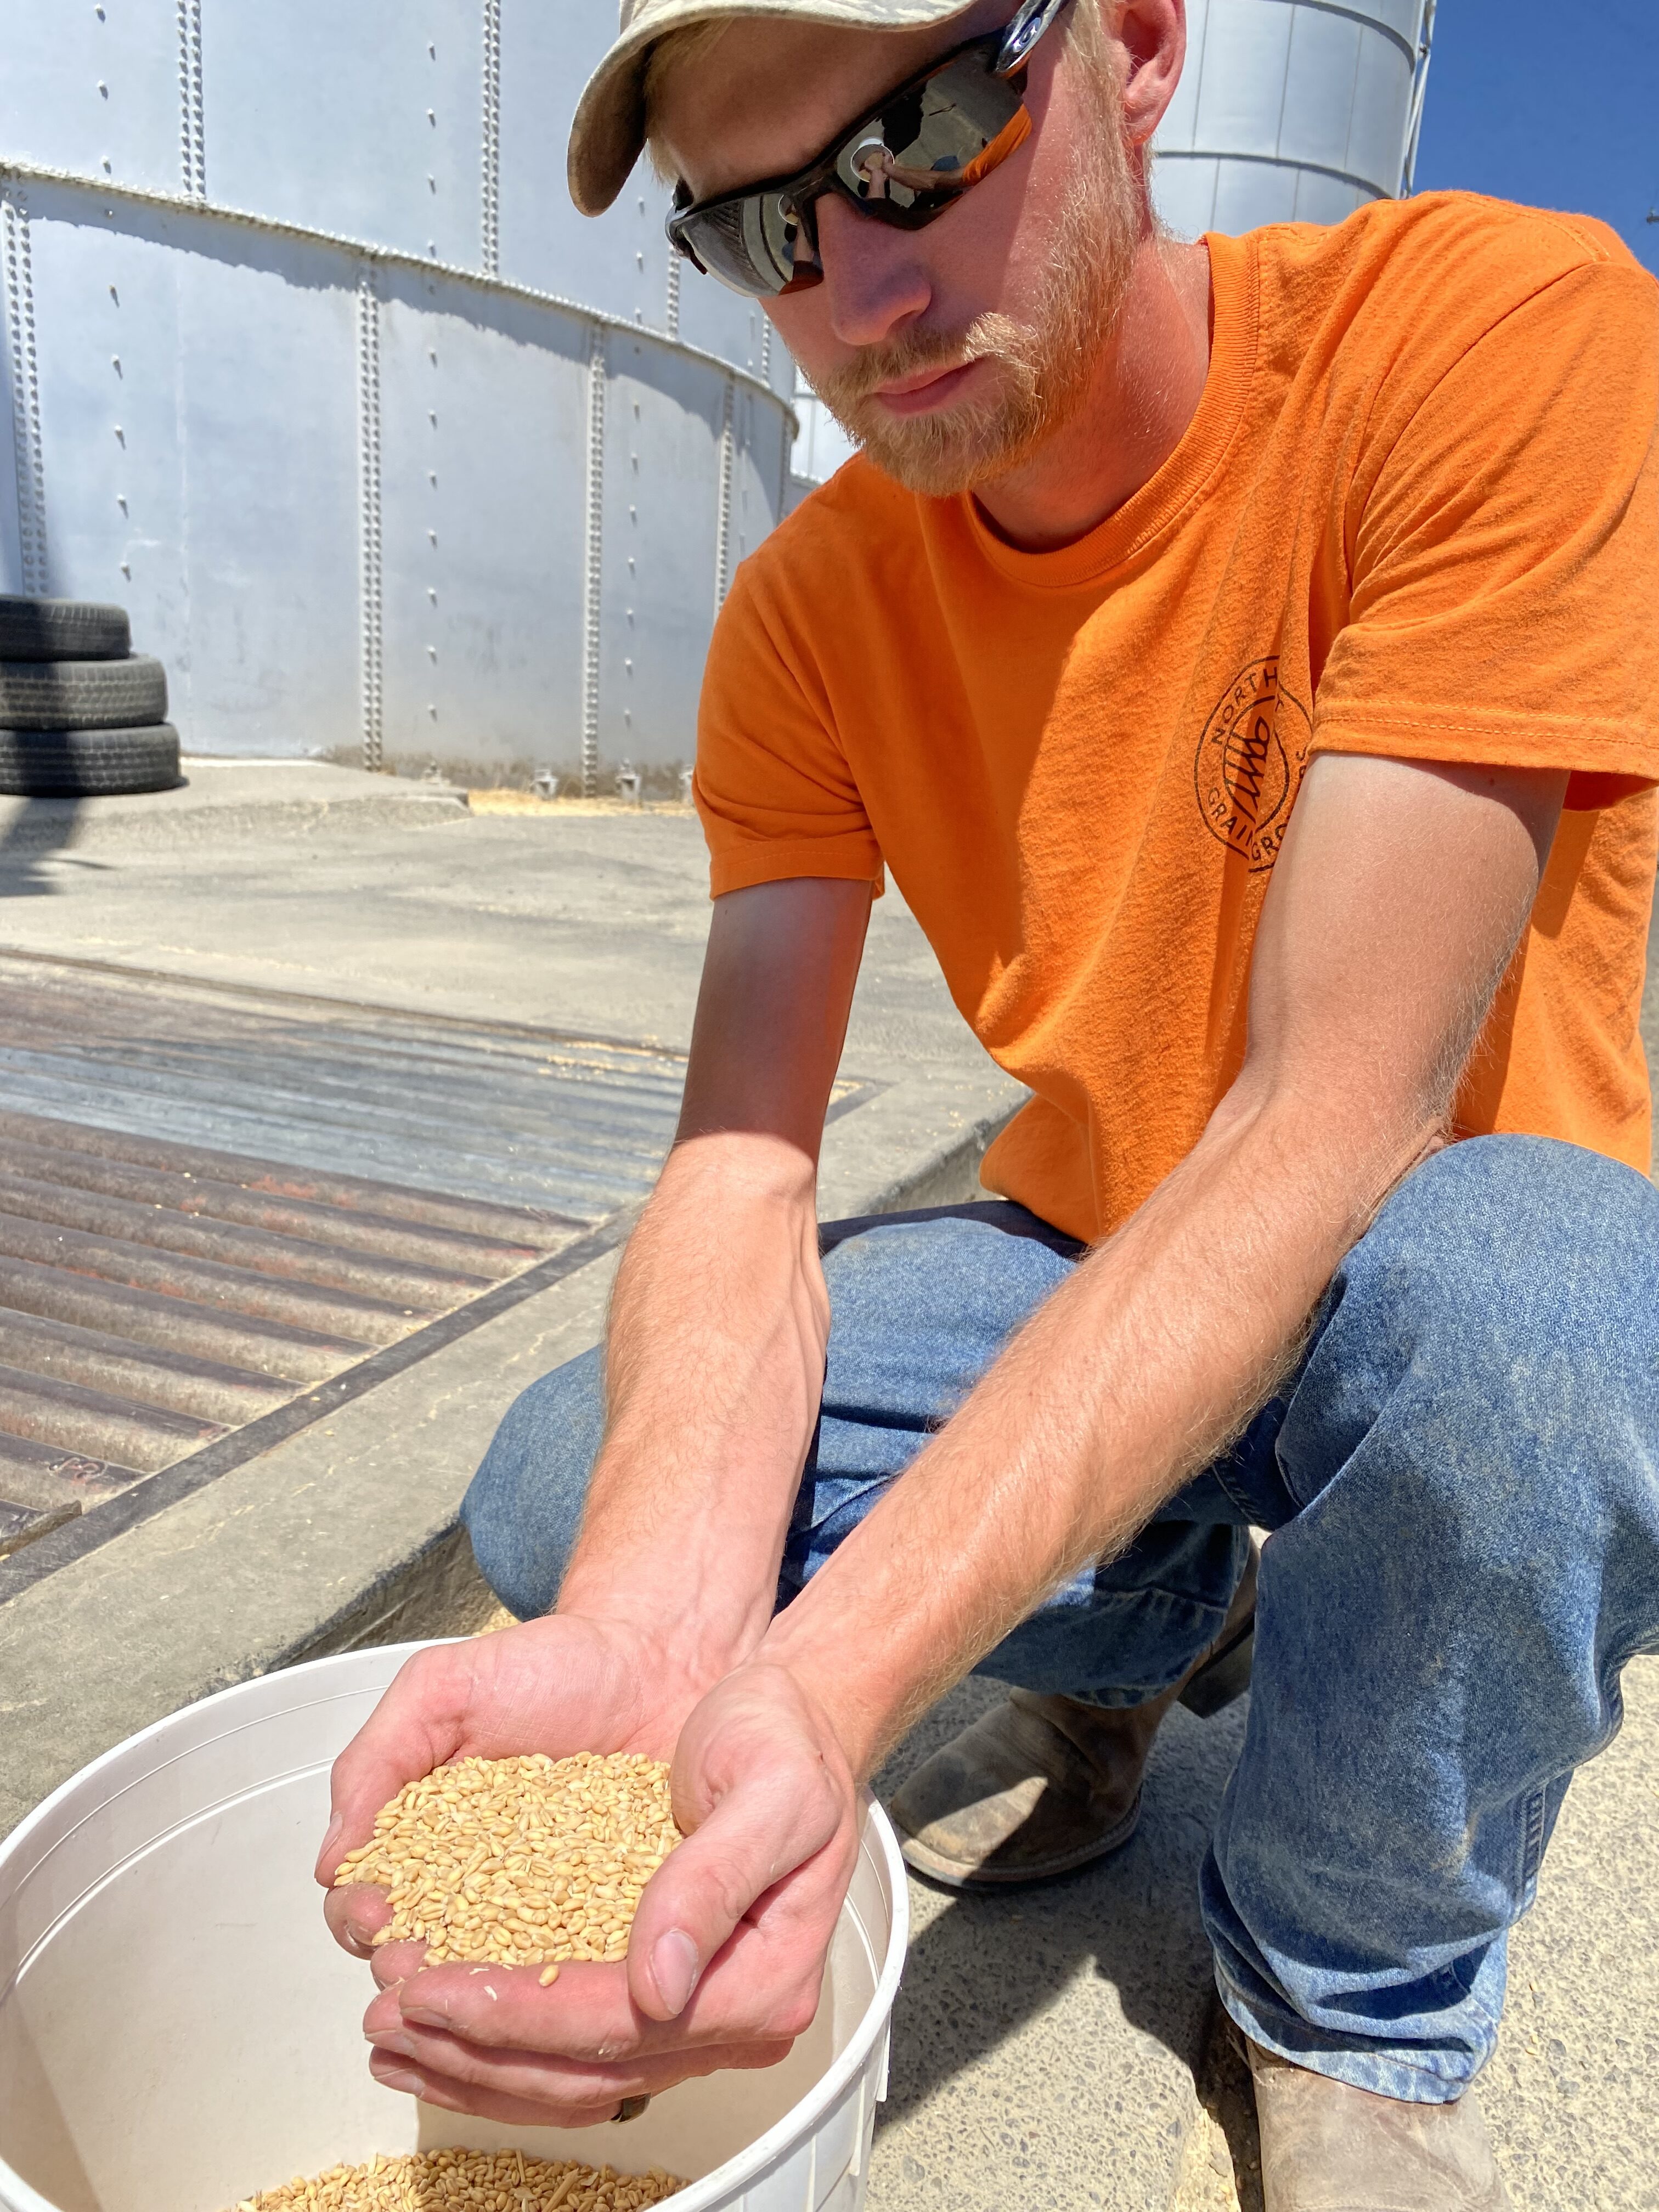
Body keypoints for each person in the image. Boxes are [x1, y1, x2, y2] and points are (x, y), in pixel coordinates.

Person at [316, 1, 1659, 2204]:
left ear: (1134, 47)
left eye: (924, 135)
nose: (857, 288)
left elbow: (1332, 1120)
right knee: (579, 1490)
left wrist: (834, 1686)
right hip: (1089, 1242)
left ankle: (1349, 2006)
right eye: (757, 228)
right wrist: (670, 1629)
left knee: (1559, 1317)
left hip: (1430, 1247)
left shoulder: (1492, 340)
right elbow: (744, 1163)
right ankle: (1145, 1631)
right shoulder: (809, 617)